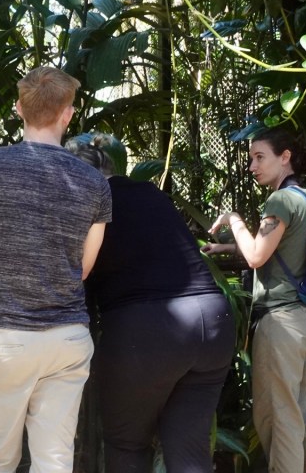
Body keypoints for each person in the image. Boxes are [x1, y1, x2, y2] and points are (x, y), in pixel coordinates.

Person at [0, 66, 112, 473]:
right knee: (54, 461)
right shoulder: (94, 182)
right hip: (67, 339)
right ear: (68, 114)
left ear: (19, 108)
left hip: (6, 337)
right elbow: (84, 268)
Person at [66, 133, 235, 473]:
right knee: (188, 449)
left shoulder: (87, 204)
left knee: (127, 444)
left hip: (147, 332)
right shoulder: (149, 193)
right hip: (213, 321)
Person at [202, 126, 306, 473]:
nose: (252, 166)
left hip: (279, 325)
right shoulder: (304, 198)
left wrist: (234, 220)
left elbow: (257, 256)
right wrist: (228, 247)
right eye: (251, 158)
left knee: (281, 422)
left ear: (285, 157)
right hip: (303, 323)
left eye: (259, 157)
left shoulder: (279, 200)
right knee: (301, 418)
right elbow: (281, 250)